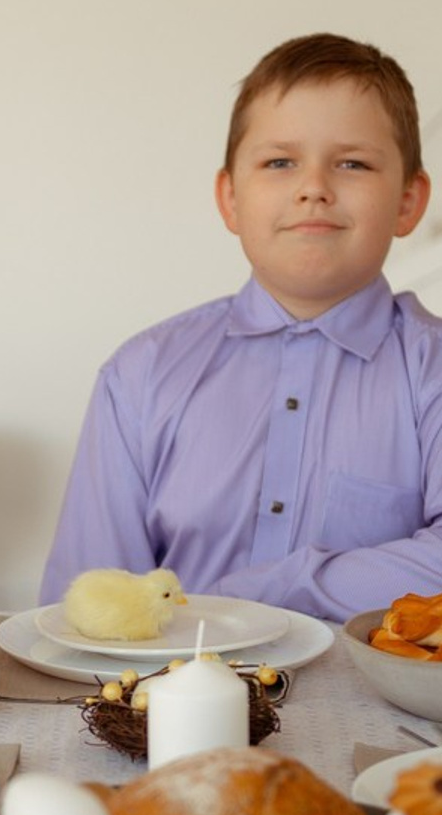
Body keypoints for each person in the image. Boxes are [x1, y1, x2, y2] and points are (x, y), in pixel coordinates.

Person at [40, 32, 442, 622]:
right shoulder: (141, 375)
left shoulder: (431, 371)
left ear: (409, 201)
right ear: (230, 198)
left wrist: (270, 593)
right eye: (280, 162)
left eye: (352, 163)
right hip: (162, 704)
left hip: (379, 713)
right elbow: (84, 605)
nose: (314, 188)